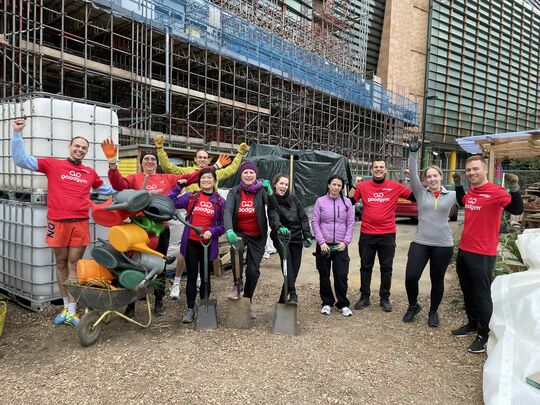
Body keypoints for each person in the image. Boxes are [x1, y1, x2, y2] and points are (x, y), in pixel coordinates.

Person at [11, 118, 115, 327]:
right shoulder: (53, 164)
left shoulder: (90, 173)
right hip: (57, 223)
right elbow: (21, 160)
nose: (80, 149)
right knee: (60, 263)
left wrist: (135, 193)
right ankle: (66, 308)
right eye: (77, 145)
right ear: (69, 147)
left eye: (84, 147)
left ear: (86, 152)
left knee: (73, 264)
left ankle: (73, 310)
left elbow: (110, 191)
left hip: (80, 223)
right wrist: (16, 133)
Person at [102, 139, 200, 317]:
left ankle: (159, 300)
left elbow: (188, 178)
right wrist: (112, 165)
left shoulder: (167, 178)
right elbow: (118, 185)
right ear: (141, 163)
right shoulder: (134, 178)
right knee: (134, 263)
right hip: (138, 230)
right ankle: (131, 304)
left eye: (152, 159)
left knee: (160, 264)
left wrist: (209, 170)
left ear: (157, 163)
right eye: (146, 159)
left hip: (161, 229)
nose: (149, 162)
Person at [153, 135, 250, 299]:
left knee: (204, 250)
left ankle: (199, 279)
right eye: (200, 157)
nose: (203, 160)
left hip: (210, 214)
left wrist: (239, 154)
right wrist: (160, 149)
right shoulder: (186, 172)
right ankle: (177, 282)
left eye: (205, 157)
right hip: (189, 213)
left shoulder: (215, 173)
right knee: (184, 250)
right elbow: (168, 166)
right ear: (195, 159)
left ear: (208, 159)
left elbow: (233, 169)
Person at [452, 156, 523, 353]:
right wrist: (458, 184)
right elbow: (463, 202)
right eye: (468, 170)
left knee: (482, 295)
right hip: (465, 249)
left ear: (484, 170)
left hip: (482, 252)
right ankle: (472, 324)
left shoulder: (496, 191)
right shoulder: (473, 191)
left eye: (475, 169)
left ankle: (484, 334)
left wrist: (515, 187)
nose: (471, 173)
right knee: (467, 289)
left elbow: (517, 209)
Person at [402, 137, 456, 327]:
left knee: (437, 280)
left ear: (441, 177)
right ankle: (412, 305)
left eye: (435, 175)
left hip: (443, 244)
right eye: (429, 176)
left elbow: (469, 200)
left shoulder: (452, 196)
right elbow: (414, 174)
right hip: (421, 242)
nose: (432, 179)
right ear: (426, 180)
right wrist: (414, 153)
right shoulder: (420, 192)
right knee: (411, 277)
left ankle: (433, 312)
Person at [351, 160, 415, 312]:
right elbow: (350, 201)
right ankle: (364, 297)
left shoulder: (395, 186)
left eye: (381, 167)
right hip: (367, 234)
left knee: (386, 268)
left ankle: (384, 298)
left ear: (386, 170)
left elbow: (415, 197)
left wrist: (412, 178)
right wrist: (354, 185)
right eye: (375, 167)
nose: (378, 169)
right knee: (366, 267)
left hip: (387, 234)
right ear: (371, 169)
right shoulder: (363, 186)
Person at [168, 168, 226, 323]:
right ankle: (190, 309)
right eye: (203, 178)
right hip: (192, 243)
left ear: (214, 181)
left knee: (206, 277)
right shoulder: (191, 197)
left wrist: (212, 232)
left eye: (209, 178)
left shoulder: (220, 202)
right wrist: (178, 187)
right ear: (199, 181)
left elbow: (224, 224)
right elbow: (170, 201)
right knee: (192, 276)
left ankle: (204, 306)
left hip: (207, 244)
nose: (205, 180)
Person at [223, 162, 276, 319]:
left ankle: (247, 300)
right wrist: (229, 229)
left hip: (257, 235)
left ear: (255, 175)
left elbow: (273, 207)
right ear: (241, 175)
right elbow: (228, 210)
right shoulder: (235, 191)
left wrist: (270, 192)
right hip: (240, 233)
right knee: (236, 251)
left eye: (251, 173)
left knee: (253, 271)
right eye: (245, 172)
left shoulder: (261, 190)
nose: (248, 175)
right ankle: (237, 282)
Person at [311, 175, 355, 317]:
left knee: (341, 275)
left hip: (340, 245)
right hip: (324, 245)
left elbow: (350, 223)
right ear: (329, 185)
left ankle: (343, 303)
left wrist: (345, 241)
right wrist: (321, 242)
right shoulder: (320, 201)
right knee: (324, 275)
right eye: (334, 184)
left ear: (342, 188)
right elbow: (315, 222)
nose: (336, 187)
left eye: (339, 185)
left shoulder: (347, 202)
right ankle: (327, 302)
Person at [267, 174, 313, 304]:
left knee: (295, 268)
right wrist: (279, 227)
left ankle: (282, 300)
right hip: (282, 238)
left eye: (286, 184)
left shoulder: (293, 199)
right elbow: (273, 216)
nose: (284, 186)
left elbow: (303, 217)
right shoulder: (272, 200)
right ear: (275, 184)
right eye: (281, 183)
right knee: (287, 265)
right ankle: (293, 294)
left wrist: (307, 235)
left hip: (296, 237)